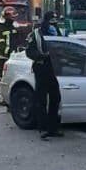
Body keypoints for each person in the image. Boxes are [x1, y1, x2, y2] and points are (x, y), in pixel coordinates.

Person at [27, 12, 62, 140]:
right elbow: (29, 51)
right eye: (51, 22)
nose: (53, 25)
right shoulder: (36, 34)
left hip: (54, 70)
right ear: (46, 22)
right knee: (41, 100)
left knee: (55, 98)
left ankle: (53, 128)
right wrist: (42, 55)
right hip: (41, 68)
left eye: (55, 22)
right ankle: (43, 128)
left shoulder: (58, 33)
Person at [0, 6, 18, 80]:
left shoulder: (13, 27)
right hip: (2, 57)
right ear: (7, 16)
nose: (14, 18)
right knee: (4, 77)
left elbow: (17, 41)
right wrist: (8, 51)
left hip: (13, 55)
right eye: (12, 16)